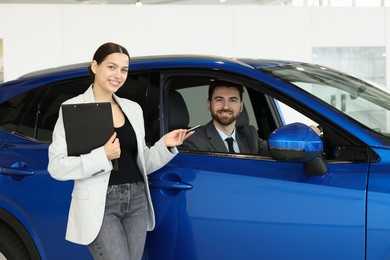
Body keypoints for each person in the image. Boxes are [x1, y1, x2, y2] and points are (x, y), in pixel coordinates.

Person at [48, 42, 193, 260]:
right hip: (101, 204)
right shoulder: (73, 108)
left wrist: (166, 144)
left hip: (137, 199)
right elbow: (57, 166)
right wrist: (102, 156)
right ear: (95, 66)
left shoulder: (133, 109)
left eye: (124, 70)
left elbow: (143, 160)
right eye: (111, 67)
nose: (118, 75)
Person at [180, 80, 269, 155]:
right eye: (219, 100)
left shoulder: (250, 134)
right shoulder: (193, 140)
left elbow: (278, 152)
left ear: (241, 106)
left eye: (232, 100)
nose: (225, 106)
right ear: (209, 104)